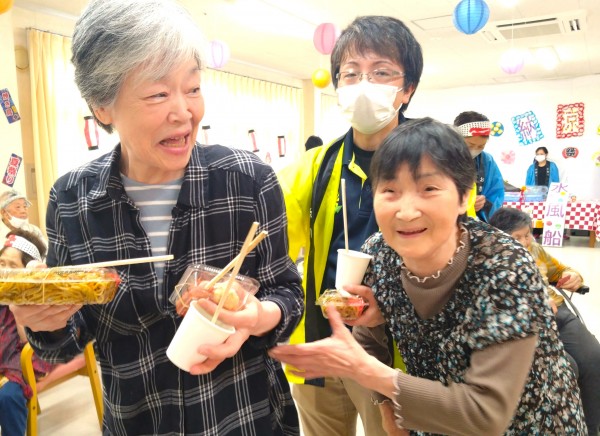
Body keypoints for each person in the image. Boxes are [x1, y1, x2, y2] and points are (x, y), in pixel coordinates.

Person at [9, 0, 304, 434]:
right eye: (158, 94)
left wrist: (258, 316)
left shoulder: (246, 180)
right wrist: (44, 322)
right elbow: (68, 339)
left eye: (193, 88)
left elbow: (288, 293)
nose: (184, 112)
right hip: (138, 422)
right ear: (102, 106)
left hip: (244, 416)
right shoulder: (73, 199)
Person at [270, 117, 586, 435]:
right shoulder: (380, 252)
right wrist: (386, 405)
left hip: (530, 424)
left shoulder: (505, 266)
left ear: (463, 196)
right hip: (434, 420)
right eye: (390, 190)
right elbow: (369, 337)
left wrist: (366, 372)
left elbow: (485, 414)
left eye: (429, 189)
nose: (406, 211)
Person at [277, 15, 423, 436]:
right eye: (351, 73)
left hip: (395, 353)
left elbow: (450, 260)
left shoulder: (433, 166)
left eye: (381, 73)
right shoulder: (316, 166)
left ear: (407, 89)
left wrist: (390, 307)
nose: (363, 84)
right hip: (322, 341)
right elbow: (269, 235)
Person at [489, 207, 600, 436]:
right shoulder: (490, 260)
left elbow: (559, 271)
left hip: (558, 314)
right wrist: (532, 304)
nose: (525, 242)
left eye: (527, 234)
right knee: (566, 367)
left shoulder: (535, 250)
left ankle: (591, 427)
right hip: (525, 325)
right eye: (517, 237)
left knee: (593, 357)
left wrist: (573, 276)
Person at [0, 230, 53, 436]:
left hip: (19, 361)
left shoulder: (33, 299)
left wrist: (15, 302)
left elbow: (30, 341)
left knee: (8, 397)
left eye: (13, 266)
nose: (4, 270)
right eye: (1, 263)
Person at [454, 111, 504, 222]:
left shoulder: (487, 161)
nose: (475, 150)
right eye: (470, 145)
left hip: (475, 223)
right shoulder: (442, 158)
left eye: (481, 146)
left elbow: (496, 194)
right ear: (456, 138)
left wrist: (484, 203)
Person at [524, 146, 563, 239]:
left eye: (541, 154)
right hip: (535, 195)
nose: (539, 156)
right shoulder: (532, 167)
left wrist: (555, 192)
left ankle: (549, 232)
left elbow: (556, 180)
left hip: (549, 194)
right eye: (537, 154)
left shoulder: (552, 166)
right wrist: (527, 193)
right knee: (536, 213)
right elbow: (528, 182)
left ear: (546, 154)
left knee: (548, 213)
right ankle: (536, 232)